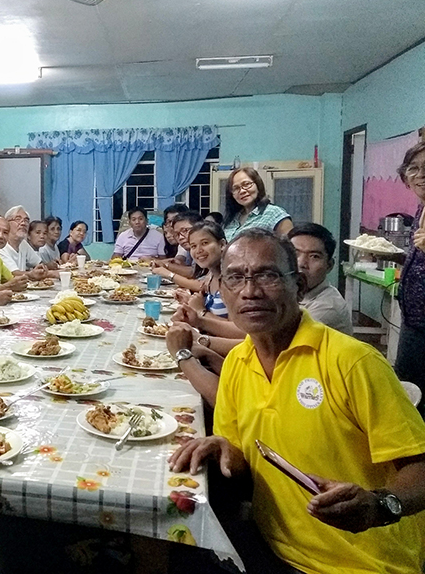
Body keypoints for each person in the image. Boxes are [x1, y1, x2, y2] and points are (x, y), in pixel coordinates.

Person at [169, 228, 425, 574]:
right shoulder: (238, 366)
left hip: (360, 563)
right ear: (222, 289)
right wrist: (223, 449)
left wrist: (380, 504)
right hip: (270, 546)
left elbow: (419, 466)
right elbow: (244, 459)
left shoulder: (351, 362)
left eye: (268, 276)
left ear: (299, 286)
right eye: (235, 278)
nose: (250, 291)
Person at [393, 140, 425, 416]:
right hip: (413, 320)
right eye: (413, 168)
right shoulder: (421, 208)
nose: (421, 175)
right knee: (408, 391)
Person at [288, 223, 353, 335]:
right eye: (294, 253)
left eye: (314, 256)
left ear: (329, 266)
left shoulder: (327, 307)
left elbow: (279, 342)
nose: (301, 263)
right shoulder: (291, 292)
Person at [222, 167, 293, 240]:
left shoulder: (275, 213)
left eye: (246, 184)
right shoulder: (231, 219)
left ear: (258, 185)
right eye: (236, 188)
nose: (242, 191)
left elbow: (290, 247)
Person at [0, 206, 52, 279]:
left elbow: (39, 263)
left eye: (26, 220)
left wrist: (44, 268)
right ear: (7, 223)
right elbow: (14, 273)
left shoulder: (23, 244)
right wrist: (53, 274)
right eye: (18, 219)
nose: (23, 223)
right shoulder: (0, 245)